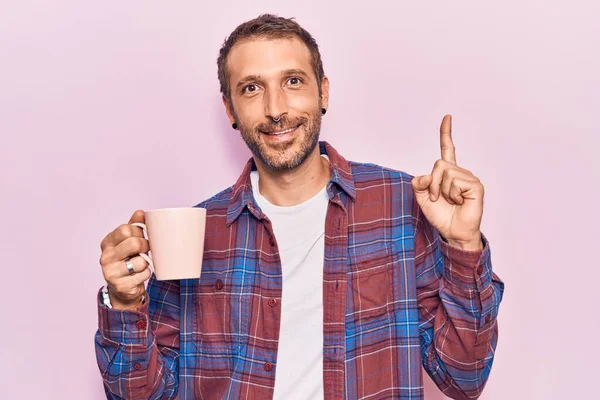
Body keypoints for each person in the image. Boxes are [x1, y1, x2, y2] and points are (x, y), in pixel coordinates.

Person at [95, 14, 504, 400]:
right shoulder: (196, 233)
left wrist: (463, 245)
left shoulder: (401, 205)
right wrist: (125, 304)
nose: (276, 109)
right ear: (229, 109)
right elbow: (144, 394)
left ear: (323, 91)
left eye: (292, 81)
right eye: (252, 88)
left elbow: (463, 377)